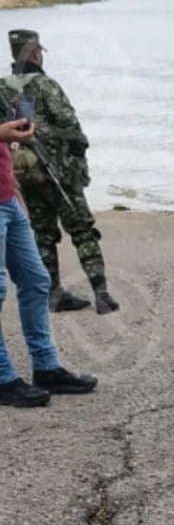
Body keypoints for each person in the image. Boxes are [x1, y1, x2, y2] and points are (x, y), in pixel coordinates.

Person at [2, 29, 117, 314]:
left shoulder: (1, 86)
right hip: (57, 172)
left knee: (42, 232)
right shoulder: (46, 85)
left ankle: (54, 292)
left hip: (22, 172)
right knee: (82, 229)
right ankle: (101, 294)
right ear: (36, 53)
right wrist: (78, 160)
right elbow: (71, 126)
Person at [0, 117, 97, 407]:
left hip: (7, 199)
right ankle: (3, 379)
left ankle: (46, 368)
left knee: (36, 280)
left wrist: (15, 193)